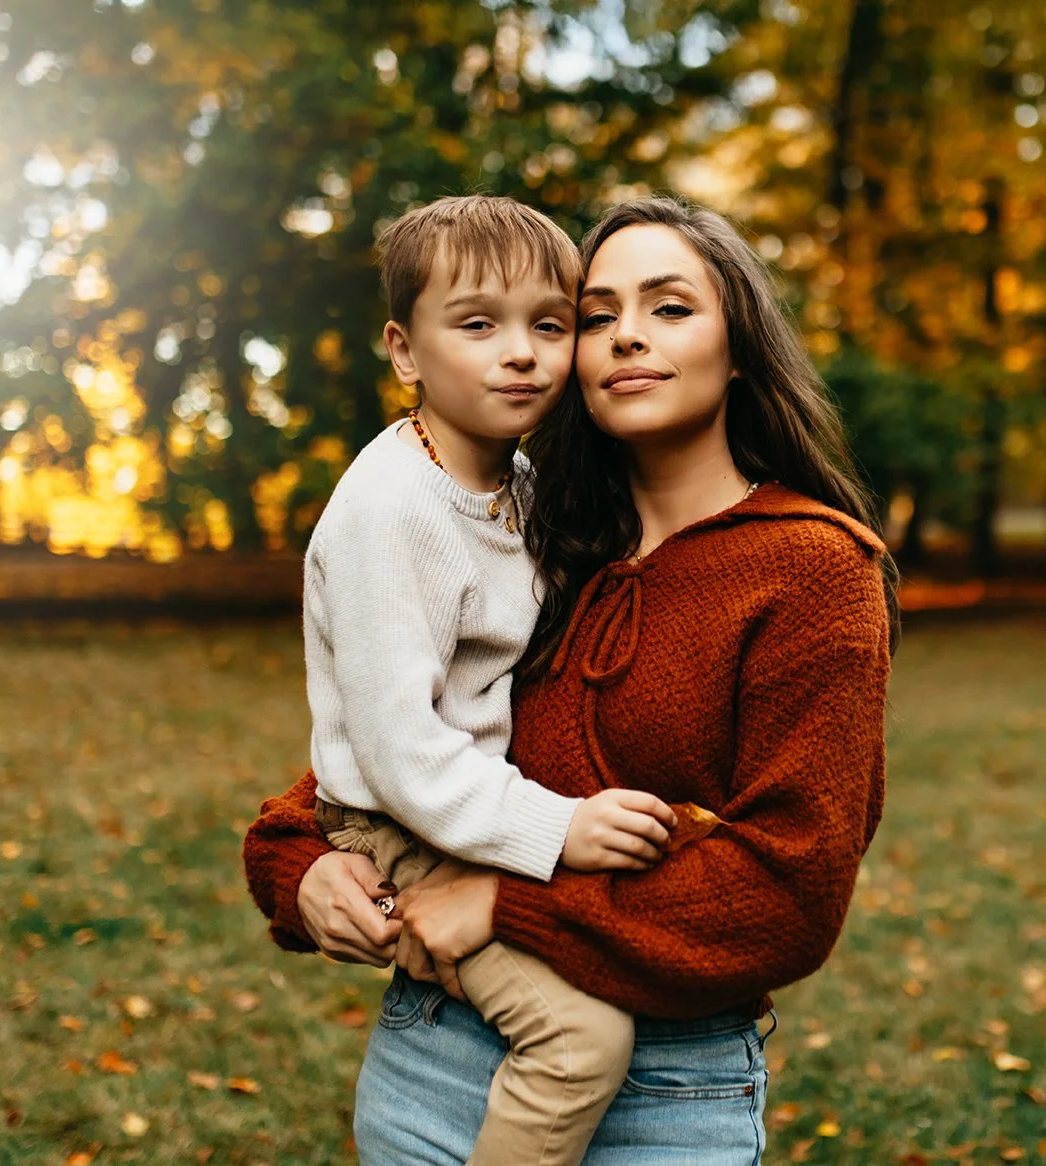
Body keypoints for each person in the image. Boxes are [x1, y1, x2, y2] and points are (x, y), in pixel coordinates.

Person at [245, 195, 899, 1164]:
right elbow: (401, 744)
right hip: (432, 1061)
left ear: (740, 344)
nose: (626, 336)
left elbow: (785, 895)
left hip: (663, 1095)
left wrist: (503, 902)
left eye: (670, 307)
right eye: (597, 315)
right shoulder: (540, 532)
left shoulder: (808, 568)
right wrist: (296, 869)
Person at [288, 192, 684, 1164]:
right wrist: (559, 828)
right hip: (403, 819)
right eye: (477, 324)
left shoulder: (514, 481)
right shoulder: (392, 510)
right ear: (404, 350)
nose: (522, 352)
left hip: (458, 801)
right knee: (581, 1038)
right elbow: (397, 747)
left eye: (548, 325)